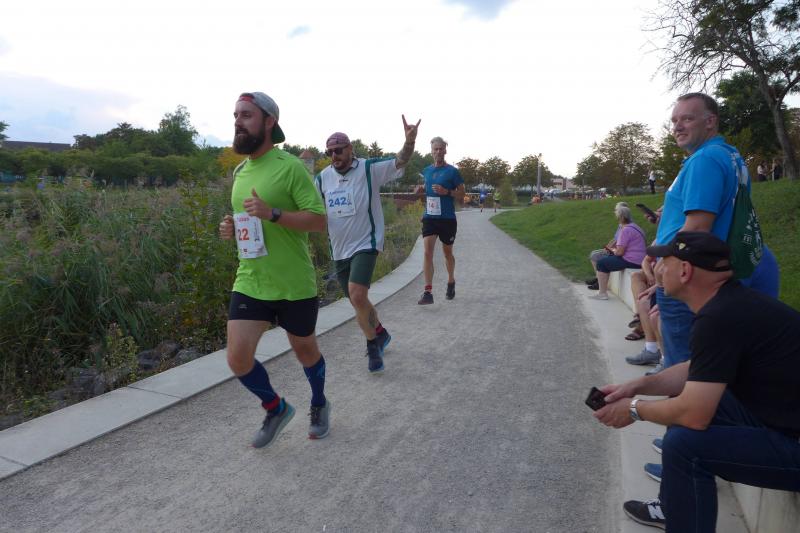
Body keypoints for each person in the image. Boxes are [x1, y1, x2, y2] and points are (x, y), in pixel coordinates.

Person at [594, 232, 800, 532]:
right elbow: (697, 370)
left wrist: (634, 409)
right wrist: (636, 387)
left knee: (685, 446)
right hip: (782, 419)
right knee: (683, 410)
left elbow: (694, 414)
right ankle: (675, 508)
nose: (656, 268)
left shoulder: (720, 317)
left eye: (663, 261)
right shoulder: (730, 304)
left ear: (685, 271)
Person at [219, 91, 330, 448]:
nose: (238, 122)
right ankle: (276, 408)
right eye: (236, 115)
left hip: (293, 282)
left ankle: (319, 402)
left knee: (305, 351)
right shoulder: (240, 172)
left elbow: (319, 221)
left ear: (269, 122)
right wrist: (231, 226)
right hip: (251, 279)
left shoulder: (290, 166)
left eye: (246, 115)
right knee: (237, 358)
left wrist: (274, 213)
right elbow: (247, 220)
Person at [315, 117, 420, 373]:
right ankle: (380, 332)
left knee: (357, 294)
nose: (334, 156)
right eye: (329, 152)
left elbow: (400, 161)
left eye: (338, 150)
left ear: (350, 149)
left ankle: (373, 346)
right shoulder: (322, 179)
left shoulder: (368, 168)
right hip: (339, 249)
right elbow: (309, 208)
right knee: (357, 301)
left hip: (366, 242)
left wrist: (409, 142)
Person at [418, 136, 465, 305]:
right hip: (430, 217)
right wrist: (420, 189)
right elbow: (427, 187)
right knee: (427, 252)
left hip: (447, 219)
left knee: (447, 253)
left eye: (441, 149)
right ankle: (428, 292)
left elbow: (462, 194)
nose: (438, 152)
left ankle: (451, 281)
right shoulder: (427, 170)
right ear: (431, 151)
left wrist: (447, 192)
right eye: (435, 149)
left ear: (445, 150)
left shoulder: (453, 172)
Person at [588, 203, 647, 300]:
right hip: (639, 260)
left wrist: (613, 251)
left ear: (621, 217)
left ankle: (602, 293)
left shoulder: (625, 230)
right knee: (607, 260)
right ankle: (602, 288)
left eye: (617, 216)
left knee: (602, 263)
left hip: (632, 261)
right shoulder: (635, 226)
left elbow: (620, 253)